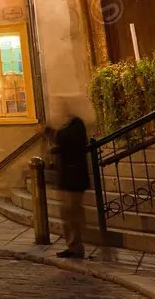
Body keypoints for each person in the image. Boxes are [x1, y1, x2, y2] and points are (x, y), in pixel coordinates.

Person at [47, 98, 90, 259]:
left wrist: (51, 133)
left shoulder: (76, 125)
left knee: (73, 213)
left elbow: (68, 140)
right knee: (68, 213)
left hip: (75, 178)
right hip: (68, 178)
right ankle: (72, 244)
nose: (59, 112)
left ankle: (76, 246)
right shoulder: (68, 127)